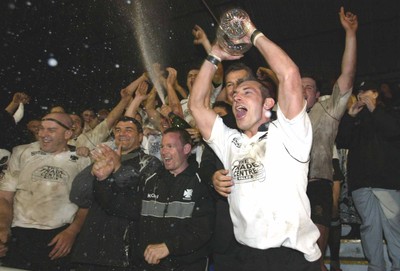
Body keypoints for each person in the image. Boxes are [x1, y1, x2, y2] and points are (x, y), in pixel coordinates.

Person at [189, 13, 320, 271]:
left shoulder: (289, 134)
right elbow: (196, 104)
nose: (237, 97)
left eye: (247, 92)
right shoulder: (229, 142)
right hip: (245, 259)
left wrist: (253, 34)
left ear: (268, 103)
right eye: (234, 94)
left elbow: (290, 74)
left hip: (291, 259)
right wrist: (214, 54)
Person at [91, 127, 215, 271]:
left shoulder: (200, 182)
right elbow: (120, 206)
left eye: (170, 146)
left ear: (186, 148)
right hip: (148, 265)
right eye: (162, 146)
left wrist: (169, 247)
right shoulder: (151, 180)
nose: (163, 151)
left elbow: (203, 230)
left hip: (186, 265)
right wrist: (102, 180)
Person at [0, 112, 91, 270]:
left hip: (59, 237)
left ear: (68, 134)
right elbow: (5, 197)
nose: (43, 134)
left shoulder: (83, 159)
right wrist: (3, 228)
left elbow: (88, 203)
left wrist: (72, 232)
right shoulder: (21, 152)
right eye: (41, 129)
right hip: (19, 234)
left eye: (51, 130)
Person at [304, 7, 358, 270]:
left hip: (317, 184)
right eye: (298, 86)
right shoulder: (279, 116)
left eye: (309, 87)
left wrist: (350, 34)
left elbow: (347, 77)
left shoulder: (326, 111)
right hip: (288, 190)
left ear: (316, 95)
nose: (303, 91)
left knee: (315, 254)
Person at [70, 116, 162, 270]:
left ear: (140, 137)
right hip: (90, 248)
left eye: (128, 130)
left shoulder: (151, 162)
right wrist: (93, 171)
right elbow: (77, 195)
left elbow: (140, 199)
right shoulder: (102, 159)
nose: (122, 133)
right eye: (118, 130)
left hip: (123, 251)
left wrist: (118, 168)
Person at [336, 80, 400, 271]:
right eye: (360, 92)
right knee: (369, 227)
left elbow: (393, 131)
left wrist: (374, 109)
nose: (363, 95)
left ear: (376, 93)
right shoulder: (356, 117)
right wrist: (349, 117)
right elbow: (342, 141)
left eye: (368, 91)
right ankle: (375, 266)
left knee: (394, 226)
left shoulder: (390, 110)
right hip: (361, 182)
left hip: (387, 181)